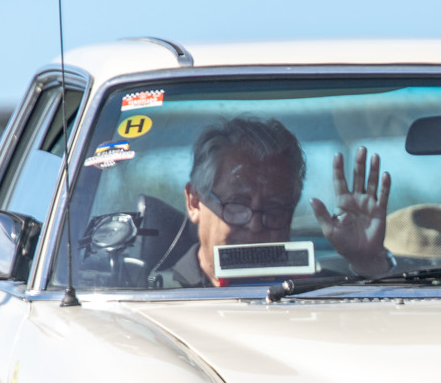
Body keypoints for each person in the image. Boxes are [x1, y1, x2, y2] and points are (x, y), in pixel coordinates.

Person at [163, 117, 392, 286]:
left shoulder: (323, 292)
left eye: (274, 209)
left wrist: (368, 262)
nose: (255, 226)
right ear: (195, 202)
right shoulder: (155, 296)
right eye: (236, 203)